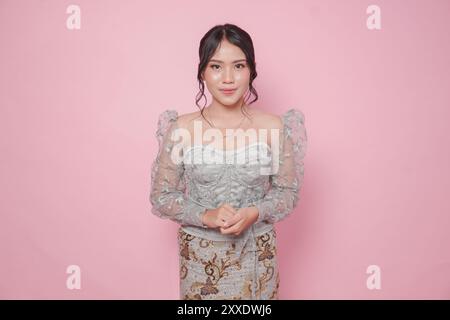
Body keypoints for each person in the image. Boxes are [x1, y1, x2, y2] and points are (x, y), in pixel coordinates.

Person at [150, 23, 307, 300]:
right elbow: (162, 196)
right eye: (216, 67)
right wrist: (205, 216)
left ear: (251, 70)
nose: (228, 78)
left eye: (238, 66)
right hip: (200, 260)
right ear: (202, 72)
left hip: (257, 258)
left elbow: (287, 193)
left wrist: (255, 212)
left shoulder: (273, 127)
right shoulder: (182, 129)